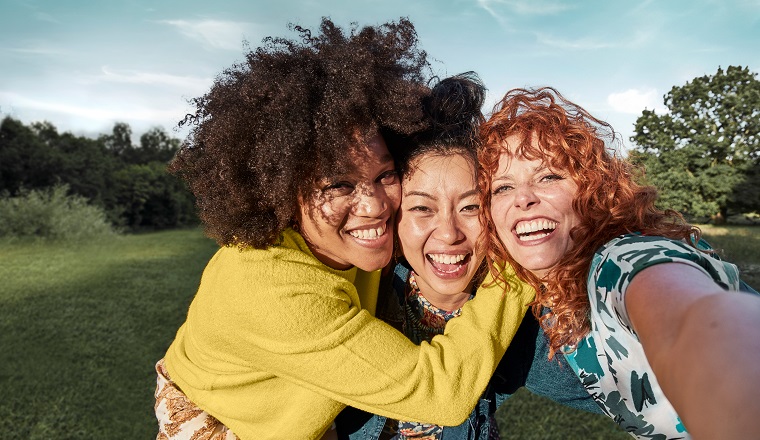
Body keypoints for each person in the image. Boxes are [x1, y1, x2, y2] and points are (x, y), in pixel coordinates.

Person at [154, 19, 535, 440]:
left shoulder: (339, 239)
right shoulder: (273, 292)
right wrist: (520, 263)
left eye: (386, 175)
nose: (374, 206)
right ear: (282, 188)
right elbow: (438, 394)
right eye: (338, 185)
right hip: (222, 421)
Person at [478, 86, 760, 439]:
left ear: (591, 189)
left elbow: (692, 317)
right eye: (502, 187)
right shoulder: (539, 301)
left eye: (548, 176)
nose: (523, 198)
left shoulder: (619, 260)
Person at [335, 74, 600, 440]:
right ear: (393, 218)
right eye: (422, 208)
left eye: (471, 207)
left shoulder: (520, 326)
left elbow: (619, 386)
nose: (448, 233)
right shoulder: (352, 297)